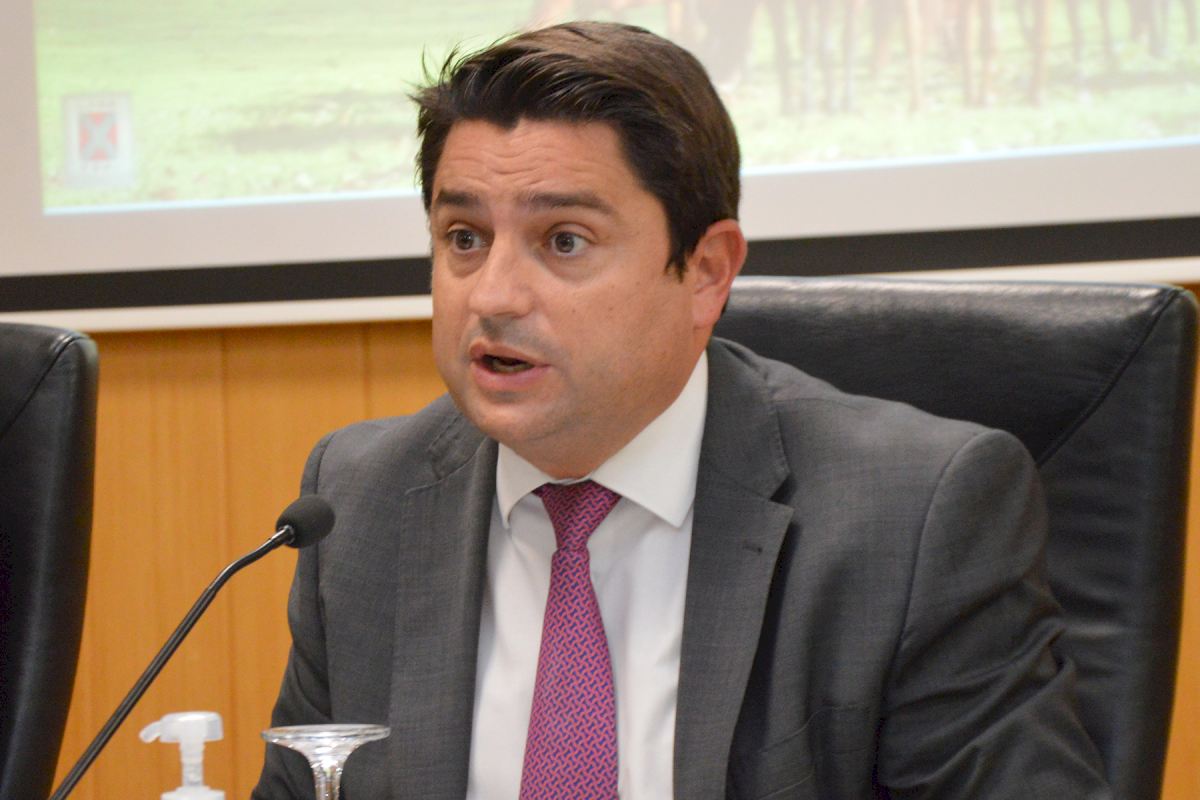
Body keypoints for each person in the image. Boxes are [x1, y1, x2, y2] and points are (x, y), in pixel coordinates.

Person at [253, 21, 1110, 799]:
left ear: (706, 272)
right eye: (464, 238)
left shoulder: (911, 518)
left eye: (564, 241)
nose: (493, 295)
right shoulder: (359, 502)